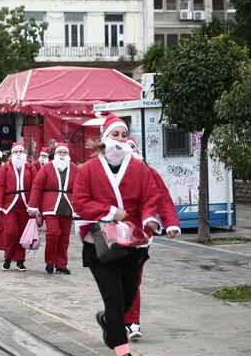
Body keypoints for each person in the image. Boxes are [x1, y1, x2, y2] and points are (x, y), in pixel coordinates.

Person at [72, 112, 162, 356]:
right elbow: (80, 203)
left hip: (133, 242)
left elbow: (150, 197)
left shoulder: (138, 167)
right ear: (105, 137)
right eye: (115, 134)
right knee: (114, 298)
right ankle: (122, 351)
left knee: (127, 298)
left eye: (124, 134)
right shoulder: (88, 169)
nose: (120, 139)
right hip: (100, 243)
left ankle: (107, 320)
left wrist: (150, 218)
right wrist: (110, 211)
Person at [122, 137, 181, 339]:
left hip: (141, 234)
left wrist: (170, 223)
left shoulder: (149, 173)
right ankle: (115, 317)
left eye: (133, 147)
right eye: (125, 147)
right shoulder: (109, 173)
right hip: (113, 232)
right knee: (115, 279)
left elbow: (162, 197)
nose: (129, 150)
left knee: (133, 278)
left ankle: (132, 322)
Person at [28, 142, 79, 275]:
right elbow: (37, 186)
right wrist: (33, 206)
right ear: (55, 154)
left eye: (65, 153)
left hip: (68, 206)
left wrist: (80, 206)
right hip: (51, 206)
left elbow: (80, 188)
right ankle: (50, 261)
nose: (62, 155)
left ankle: (61, 264)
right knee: (53, 233)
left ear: (68, 154)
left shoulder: (74, 168)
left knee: (65, 237)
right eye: (60, 153)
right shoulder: (47, 167)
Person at [0, 142, 37, 272]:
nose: (18, 154)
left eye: (21, 152)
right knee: (11, 232)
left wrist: (35, 206)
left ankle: (20, 260)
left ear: (25, 154)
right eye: (16, 152)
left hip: (25, 206)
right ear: (12, 154)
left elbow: (36, 187)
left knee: (23, 234)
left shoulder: (31, 167)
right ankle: (8, 257)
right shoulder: (5, 168)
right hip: (9, 206)